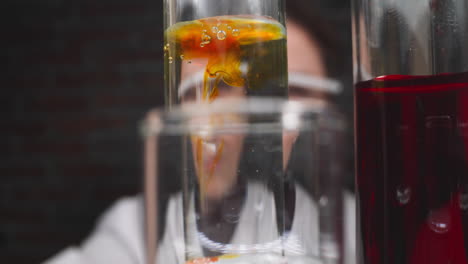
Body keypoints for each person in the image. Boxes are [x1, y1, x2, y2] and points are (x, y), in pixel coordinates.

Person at [44, 1, 355, 263]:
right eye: (205, 91)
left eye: (295, 91)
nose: (259, 119)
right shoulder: (136, 229)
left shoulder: (360, 230)